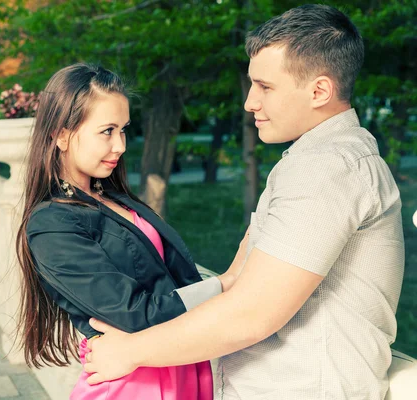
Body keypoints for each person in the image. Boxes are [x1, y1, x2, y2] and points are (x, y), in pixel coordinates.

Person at [83, 5, 405, 400]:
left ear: (319, 90)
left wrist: (132, 351)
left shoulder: (327, 167)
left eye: (265, 86)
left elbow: (253, 312)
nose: (250, 102)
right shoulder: (322, 158)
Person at [15, 63, 239, 399]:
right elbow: (136, 312)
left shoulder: (114, 197)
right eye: (107, 131)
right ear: (61, 135)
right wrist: (222, 286)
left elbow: (170, 276)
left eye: (123, 130)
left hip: (179, 362)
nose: (120, 145)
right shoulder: (51, 223)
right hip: (134, 382)